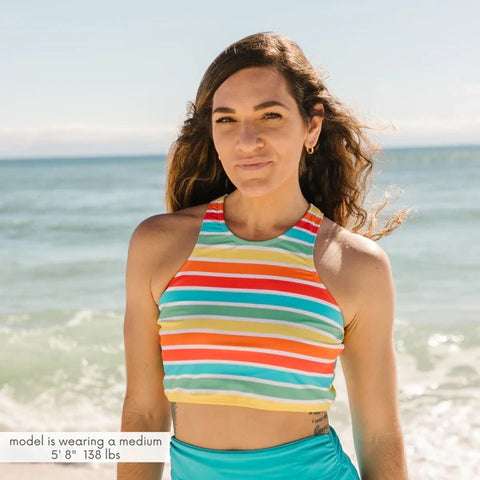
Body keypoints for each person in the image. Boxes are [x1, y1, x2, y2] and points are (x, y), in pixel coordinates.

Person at [118, 32, 409, 480]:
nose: (246, 140)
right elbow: (142, 411)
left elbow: (379, 435)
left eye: (269, 115)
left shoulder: (355, 265)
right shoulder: (158, 246)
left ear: (311, 126)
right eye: (227, 120)